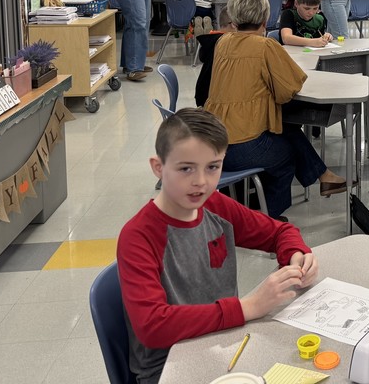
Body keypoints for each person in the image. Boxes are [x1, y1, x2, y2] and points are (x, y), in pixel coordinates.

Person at [117, 108, 318, 384]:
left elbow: (279, 232)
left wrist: (297, 254)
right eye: (186, 168)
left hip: (227, 344)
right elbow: (153, 326)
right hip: (168, 367)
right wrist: (248, 307)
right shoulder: (138, 236)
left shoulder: (213, 204)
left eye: (213, 167)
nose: (201, 181)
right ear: (158, 167)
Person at [203, 0, 346, 217]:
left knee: (285, 127)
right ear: (265, 20)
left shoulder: (223, 42)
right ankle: (269, 220)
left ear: (235, 18)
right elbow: (290, 88)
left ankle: (325, 177)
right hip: (239, 146)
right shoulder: (265, 46)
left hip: (212, 137)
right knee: (286, 154)